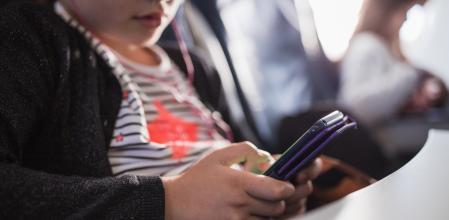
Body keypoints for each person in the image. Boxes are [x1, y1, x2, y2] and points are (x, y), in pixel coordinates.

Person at [0, 0, 322, 219]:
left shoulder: (195, 68)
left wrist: (266, 190)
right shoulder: (30, 37)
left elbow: (242, 153)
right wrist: (169, 201)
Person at [338, 0, 447, 127]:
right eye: (404, 12)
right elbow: (356, 106)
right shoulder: (367, 44)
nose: (406, 19)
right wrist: (409, 75)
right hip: (376, 134)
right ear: (385, 11)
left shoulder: (386, 49)